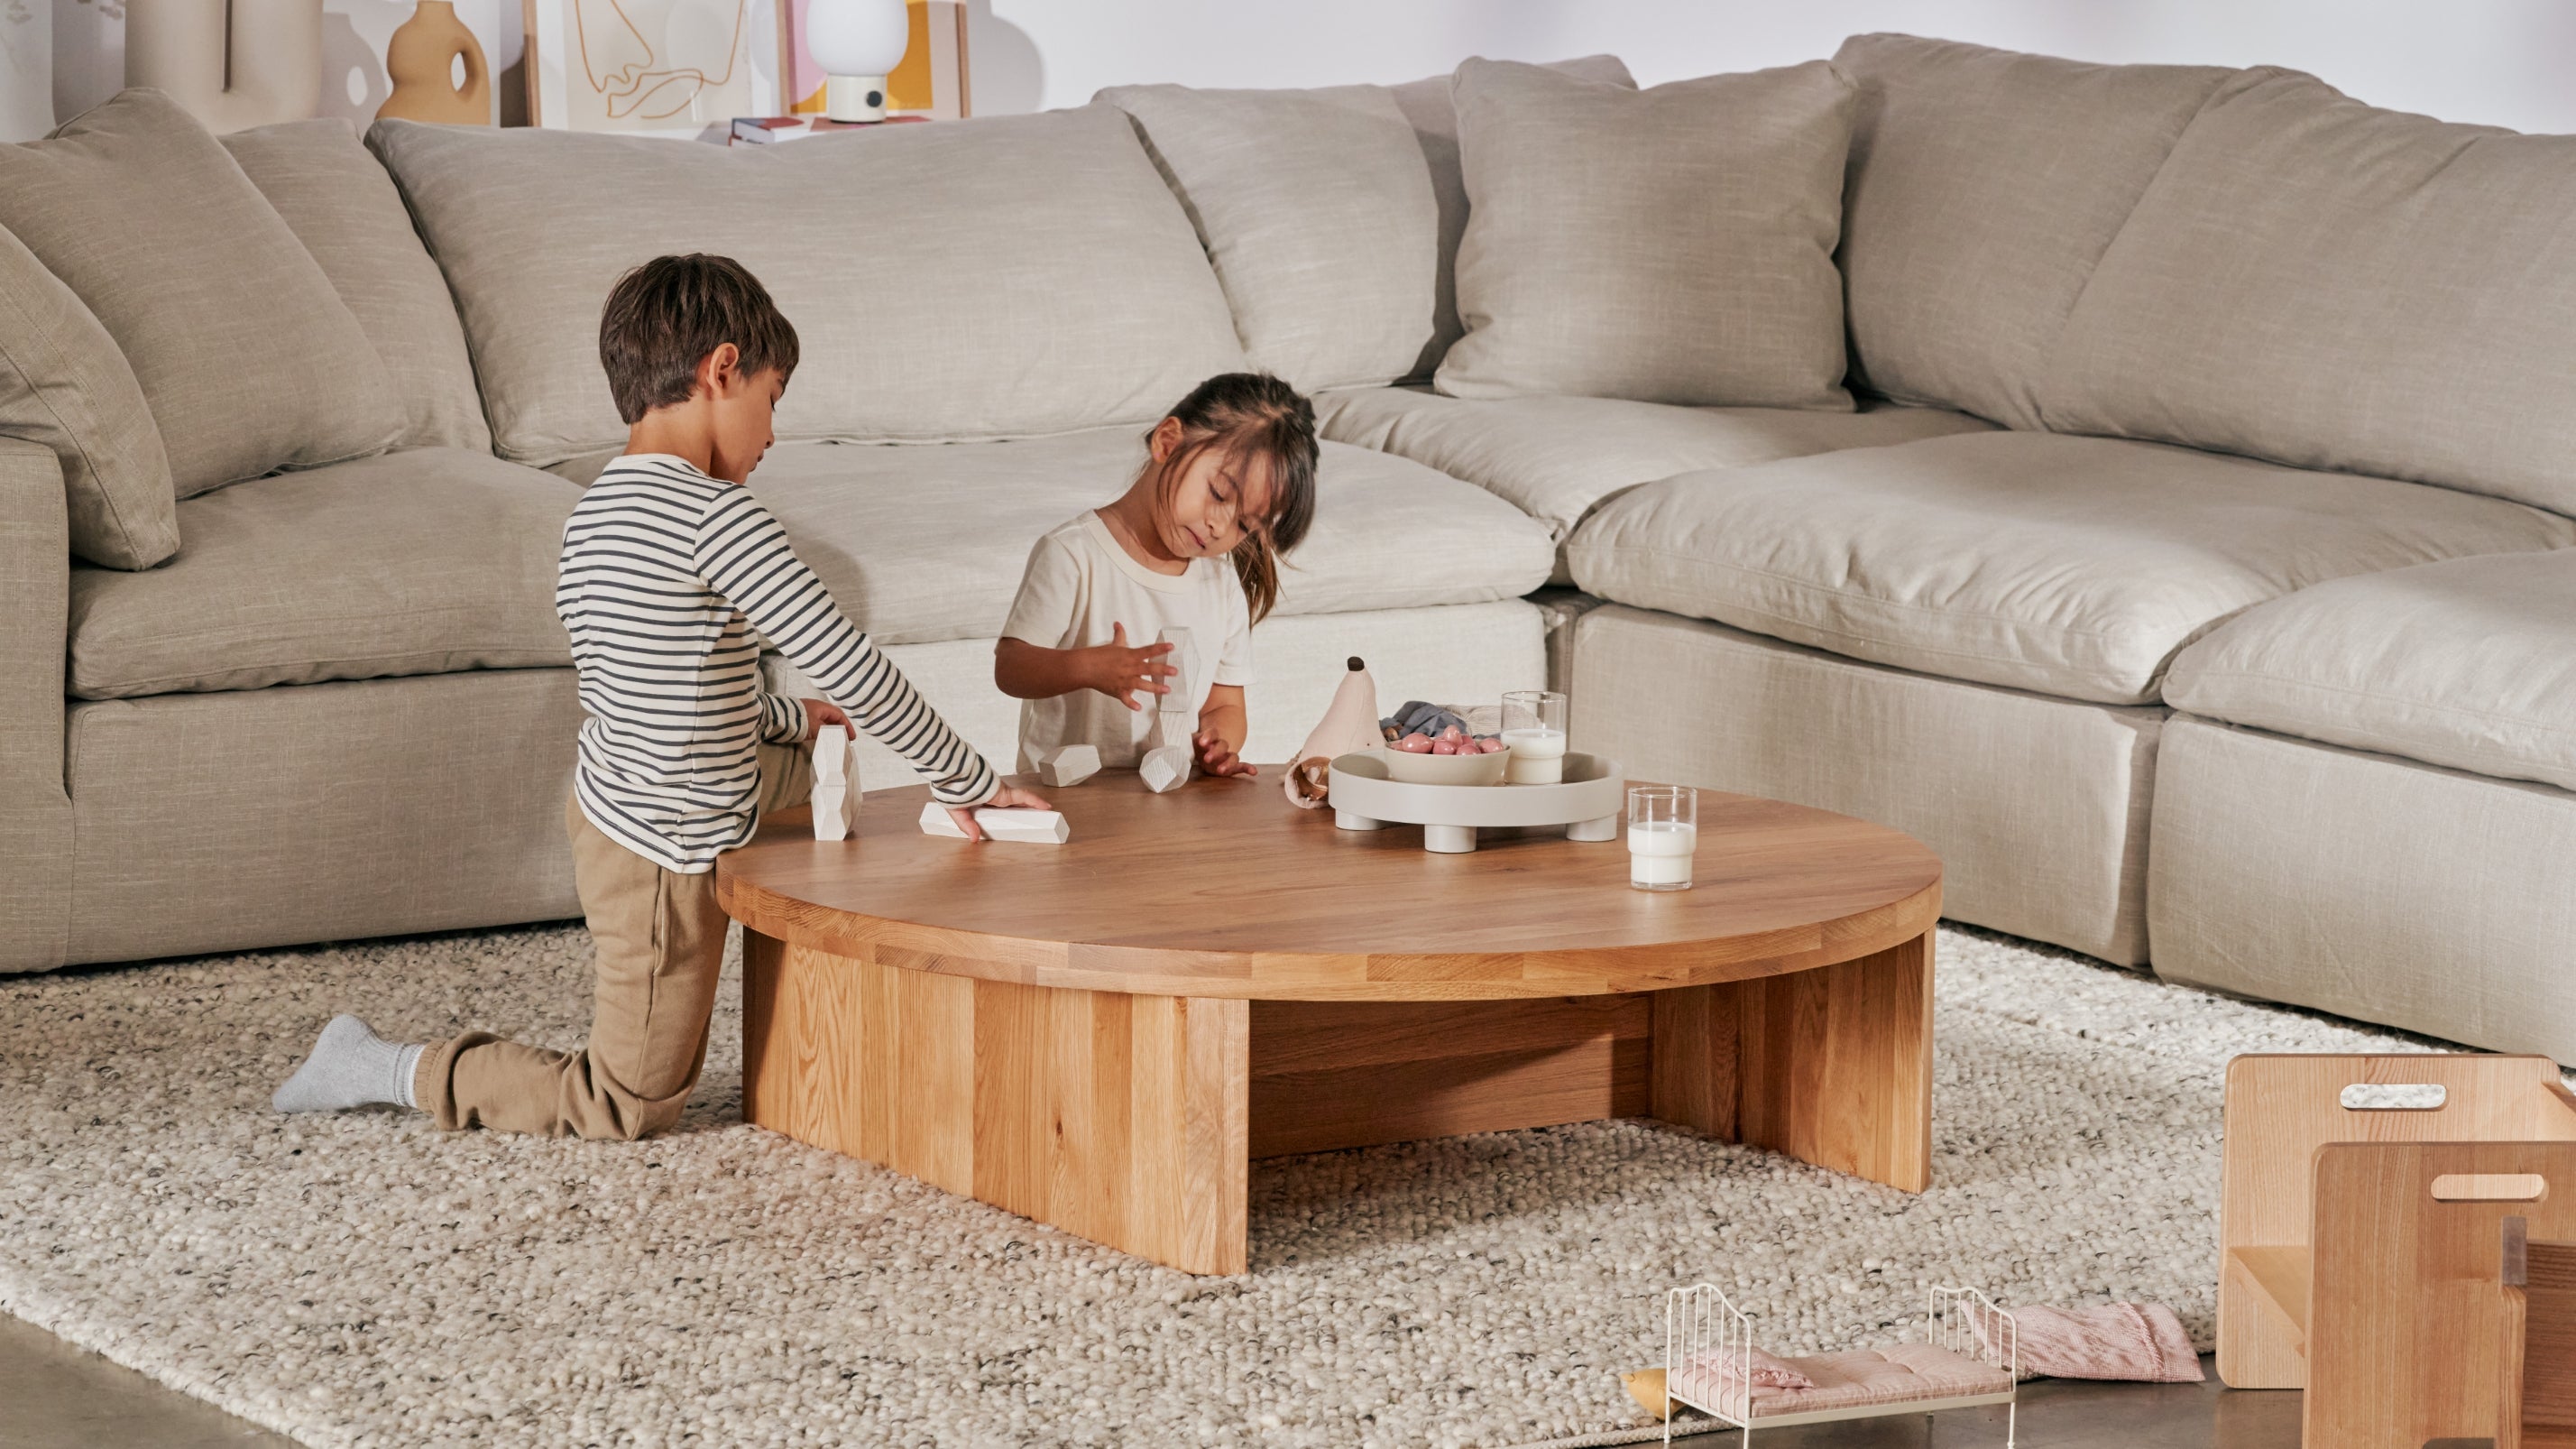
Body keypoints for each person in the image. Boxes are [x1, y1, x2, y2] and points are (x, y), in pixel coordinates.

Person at [273, 254, 1044, 1139]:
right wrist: (969, 775)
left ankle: (844, 950)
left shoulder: (591, 514)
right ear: (722, 370)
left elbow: (668, 683)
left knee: (825, 769)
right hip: (656, 834)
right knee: (626, 1100)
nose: (772, 435)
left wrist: (794, 722)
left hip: (707, 773)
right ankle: (384, 1065)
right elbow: (847, 661)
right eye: (773, 400)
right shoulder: (719, 515)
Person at [994, 373, 1319, 780]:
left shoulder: (1219, 584)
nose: (1220, 526)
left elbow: (1226, 705)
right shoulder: (1074, 554)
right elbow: (1010, 667)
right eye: (1219, 494)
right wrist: (1087, 667)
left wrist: (1218, 742)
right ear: (1167, 442)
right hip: (1068, 797)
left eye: (1244, 525)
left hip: (1170, 797)